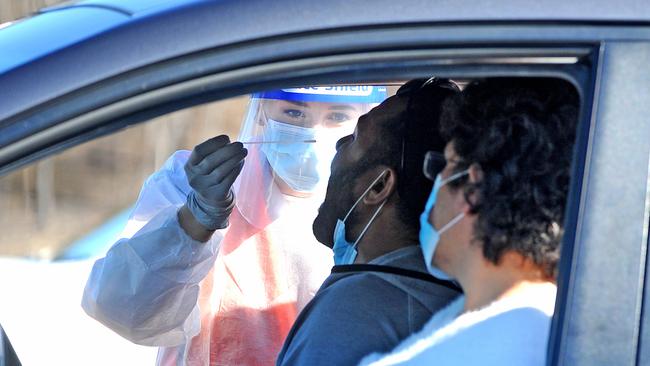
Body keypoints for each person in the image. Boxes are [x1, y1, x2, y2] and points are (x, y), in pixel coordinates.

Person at [82, 86, 386, 366]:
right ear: (264, 112)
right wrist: (195, 220)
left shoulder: (383, 199)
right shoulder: (198, 183)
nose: (312, 132)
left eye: (338, 116)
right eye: (294, 112)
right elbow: (125, 312)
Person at [359, 77, 579, 366]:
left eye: (444, 166)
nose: (433, 186)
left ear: (473, 190)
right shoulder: (563, 327)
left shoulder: (469, 351)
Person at [276, 79, 462, 366]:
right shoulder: (442, 292)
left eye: (354, 137)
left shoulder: (355, 312)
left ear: (378, 187)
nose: (337, 144)